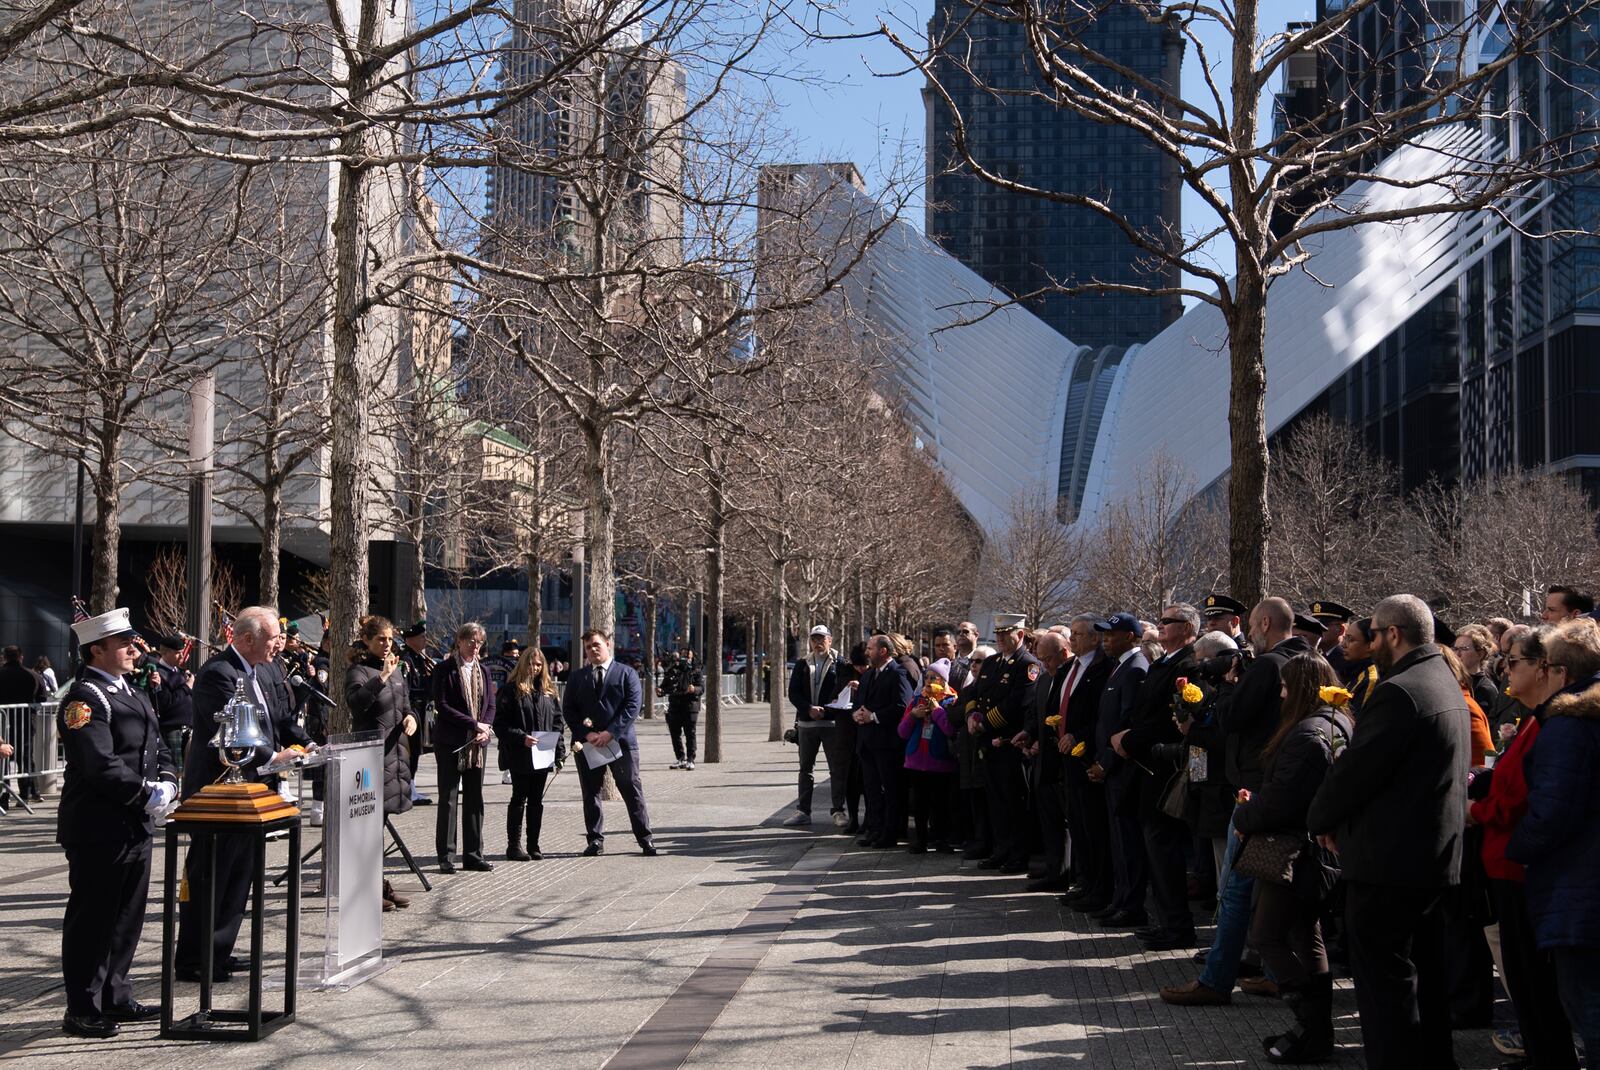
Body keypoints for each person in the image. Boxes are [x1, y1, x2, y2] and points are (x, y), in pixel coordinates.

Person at [1307, 594, 1469, 1070]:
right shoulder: (1442, 680)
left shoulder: (1400, 692)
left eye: (1373, 633)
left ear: (1393, 634)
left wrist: (1323, 820)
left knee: (1385, 989)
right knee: (1425, 980)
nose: (1369, 641)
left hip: (1388, 864)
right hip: (1428, 859)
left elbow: (1357, 773)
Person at [1163, 596, 1309, 1007]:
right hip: (1283, 785)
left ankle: (1217, 978)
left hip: (1254, 790)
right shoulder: (1304, 657)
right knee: (1277, 893)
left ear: (1261, 623)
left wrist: (1227, 687)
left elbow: (1231, 721)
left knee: (1235, 892)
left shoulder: (1267, 665)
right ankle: (1276, 973)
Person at [55, 608, 178, 1038]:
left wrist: (168, 781)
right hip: (98, 826)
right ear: (96, 650)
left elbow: (158, 742)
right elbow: (98, 763)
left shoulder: (131, 688)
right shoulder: (84, 698)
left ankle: (115, 995)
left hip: (133, 823)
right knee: (94, 918)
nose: (133, 649)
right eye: (124, 644)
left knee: (127, 915)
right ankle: (82, 1007)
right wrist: (146, 794)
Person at [1233, 653, 1352, 1064]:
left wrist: (1246, 813)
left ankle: (1312, 1027)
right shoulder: (1337, 723)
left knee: (1268, 936)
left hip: (1293, 851)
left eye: (1285, 687)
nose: (1280, 694)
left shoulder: (1306, 734)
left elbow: (1285, 801)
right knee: (1307, 933)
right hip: (1311, 850)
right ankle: (1316, 1032)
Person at [1471, 624, 1579, 1070]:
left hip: (1519, 866)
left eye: (1513, 662)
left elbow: (1523, 800)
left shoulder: (1550, 724)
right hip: (1506, 864)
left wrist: (1474, 811)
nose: (1505, 669)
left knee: (1532, 976)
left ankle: (1548, 1055)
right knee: (1521, 974)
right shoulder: (1536, 719)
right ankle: (1540, 1050)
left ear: (1545, 668)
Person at [175, 606, 299, 983]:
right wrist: (272, 756)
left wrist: (301, 745)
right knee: (210, 875)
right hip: (218, 791)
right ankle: (195, 958)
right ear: (245, 639)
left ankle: (219, 950)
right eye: (269, 639)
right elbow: (232, 731)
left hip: (251, 791)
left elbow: (275, 719)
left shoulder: (259, 671)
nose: (275, 646)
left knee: (239, 877)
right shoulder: (218, 674)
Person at [1505, 617, 1600, 1066]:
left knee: (1588, 1009)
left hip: (1580, 889)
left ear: (1559, 673)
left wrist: (1516, 847)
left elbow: (1552, 812)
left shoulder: (1568, 724)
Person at [1112, 603, 1201, 950]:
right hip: (1147, 764)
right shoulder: (1165, 661)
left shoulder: (1188, 664)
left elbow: (1172, 720)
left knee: (1165, 850)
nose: (1161, 626)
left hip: (1165, 767)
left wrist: (1130, 739)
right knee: (1155, 849)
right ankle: (1167, 921)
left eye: (1169, 622)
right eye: (1161, 621)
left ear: (1188, 628)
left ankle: (1178, 927)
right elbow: (1141, 708)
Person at [563, 628, 656, 856]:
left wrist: (610, 733)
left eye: (596, 645)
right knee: (591, 793)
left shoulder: (626, 673)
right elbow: (569, 710)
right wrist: (588, 735)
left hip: (621, 743)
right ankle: (595, 840)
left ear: (608, 645)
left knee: (632, 790)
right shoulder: (577, 677)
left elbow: (633, 706)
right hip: (589, 745)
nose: (593, 650)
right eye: (588, 647)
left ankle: (645, 839)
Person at [345, 615, 416, 911]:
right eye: (380, 640)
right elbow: (357, 703)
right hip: (370, 758)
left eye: (389, 639)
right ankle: (367, 888)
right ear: (367, 641)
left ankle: (380, 883)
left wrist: (411, 717)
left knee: (379, 825)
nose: (387, 645)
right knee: (367, 829)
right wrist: (383, 677)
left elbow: (405, 704)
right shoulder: (359, 670)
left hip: (395, 754)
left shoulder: (397, 671)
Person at [963, 615, 1042, 873]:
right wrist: (972, 716)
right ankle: (1001, 849)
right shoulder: (992, 662)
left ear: (1019, 635)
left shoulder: (1027, 665)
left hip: (1008, 741)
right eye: (996, 633)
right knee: (995, 800)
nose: (998, 638)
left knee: (1012, 801)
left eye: (1004, 634)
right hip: (987, 741)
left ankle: (1017, 855)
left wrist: (986, 722)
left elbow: (1018, 703)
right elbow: (975, 693)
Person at [1086, 612, 1149, 923]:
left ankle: (1131, 905)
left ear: (1131, 636)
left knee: (1128, 841)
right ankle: (1121, 899)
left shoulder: (1136, 669)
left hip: (1124, 769)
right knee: (1118, 839)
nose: (1105, 639)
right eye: (1104, 634)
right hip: (1111, 767)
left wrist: (1106, 763)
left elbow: (1127, 724)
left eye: (1112, 634)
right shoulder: (1120, 667)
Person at [1057, 616, 1115, 912]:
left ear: (1095, 639)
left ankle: (1100, 887)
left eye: (1079, 635)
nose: (1073, 639)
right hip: (1067, 757)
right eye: (1072, 634)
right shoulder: (1070, 668)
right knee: (1077, 824)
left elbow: (1101, 716)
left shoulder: (1103, 668)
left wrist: (1078, 736)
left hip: (1088, 755)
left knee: (1094, 826)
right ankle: (1086, 882)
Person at [432, 622, 496, 873]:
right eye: (470, 641)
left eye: (479, 642)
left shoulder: (484, 671)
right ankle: (446, 856)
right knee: (448, 799)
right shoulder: (445, 669)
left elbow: (490, 704)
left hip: (477, 744)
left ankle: (473, 854)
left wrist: (485, 727)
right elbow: (443, 705)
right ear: (459, 641)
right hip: (451, 741)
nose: (474, 646)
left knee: (474, 798)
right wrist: (473, 723)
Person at [494, 646, 566, 861]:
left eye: (538, 664)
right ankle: (513, 846)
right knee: (519, 798)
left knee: (536, 800)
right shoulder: (510, 690)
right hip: (519, 753)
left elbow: (557, 723)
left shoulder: (549, 691)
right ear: (523, 664)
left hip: (543, 753)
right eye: (531, 663)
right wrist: (520, 737)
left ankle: (533, 844)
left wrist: (559, 753)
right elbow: (500, 724)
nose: (534, 668)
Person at [1013, 629, 1071, 889]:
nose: (1044, 665)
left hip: (1064, 763)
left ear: (1063, 653)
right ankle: (1053, 869)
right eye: (1041, 659)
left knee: (1068, 823)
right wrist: (1028, 733)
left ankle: (1068, 872)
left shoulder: (1069, 675)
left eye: (1048, 659)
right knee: (1049, 821)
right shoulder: (1046, 678)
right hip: (1043, 763)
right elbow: (1038, 713)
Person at [852, 633, 914, 848]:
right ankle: (874, 830)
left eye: (870, 648)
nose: (867, 652)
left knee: (891, 789)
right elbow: (859, 701)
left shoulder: (898, 673)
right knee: (871, 789)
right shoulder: (869, 675)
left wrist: (874, 717)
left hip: (887, 744)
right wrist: (857, 714)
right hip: (867, 742)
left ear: (883, 651)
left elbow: (902, 706)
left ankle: (890, 833)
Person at [786, 625, 849, 827]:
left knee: (836, 769)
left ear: (830, 639)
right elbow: (793, 692)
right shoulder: (802, 664)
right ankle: (803, 810)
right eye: (814, 639)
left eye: (822, 638)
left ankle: (838, 810)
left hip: (831, 724)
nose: (818, 642)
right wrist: (808, 708)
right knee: (805, 768)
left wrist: (827, 710)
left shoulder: (840, 663)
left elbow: (844, 693)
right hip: (807, 724)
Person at [898, 658, 959, 852]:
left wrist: (937, 711)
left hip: (940, 760)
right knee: (919, 804)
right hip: (916, 760)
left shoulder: (951, 701)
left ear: (943, 681)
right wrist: (913, 716)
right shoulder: (916, 699)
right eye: (927, 677)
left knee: (940, 803)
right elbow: (902, 732)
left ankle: (940, 839)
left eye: (935, 677)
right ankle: (921, 839)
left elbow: (950, 730)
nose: (929, 681)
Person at [0, 644, 47, 800]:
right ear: (21, 657)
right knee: (25, 758)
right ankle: (26, 794)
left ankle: (4, 797)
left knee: (2, 761)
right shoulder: (33, 675)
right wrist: (32, 710)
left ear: (4, 658)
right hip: (25, 722)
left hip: (2, 724)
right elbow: (42, 697)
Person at [397, 620, 435, 804]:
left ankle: (411, 787)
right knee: (410, 751)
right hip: (411, 710)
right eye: (422, 637)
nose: (425, 640)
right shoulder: (406, 660)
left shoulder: (419, 658)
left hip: (420, 709)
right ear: (410, 639)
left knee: (416, 751)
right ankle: (407, 789)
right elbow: (407, 688)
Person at [151, 636, 194, 777]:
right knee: (175, 771)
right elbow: (165, 704)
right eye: (177, 652)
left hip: (187, 728)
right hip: (171, 729)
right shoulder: (158, 673)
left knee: (189, 770)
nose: (182, 655)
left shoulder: (179, 672)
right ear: (165, 652)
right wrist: (187, 687)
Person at [662, 646, 703, 771]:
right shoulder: (673, 670)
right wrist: (660, 691)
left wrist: (694, 689)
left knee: (690, 733)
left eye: (688, 655)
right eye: (683, 654)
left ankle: (691, 759)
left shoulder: (696, 671)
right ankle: (680, 758)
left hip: (690, 707)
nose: (685, 657)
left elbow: (701, 688)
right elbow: (665, 686)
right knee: (675, 733)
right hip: (675, 706)